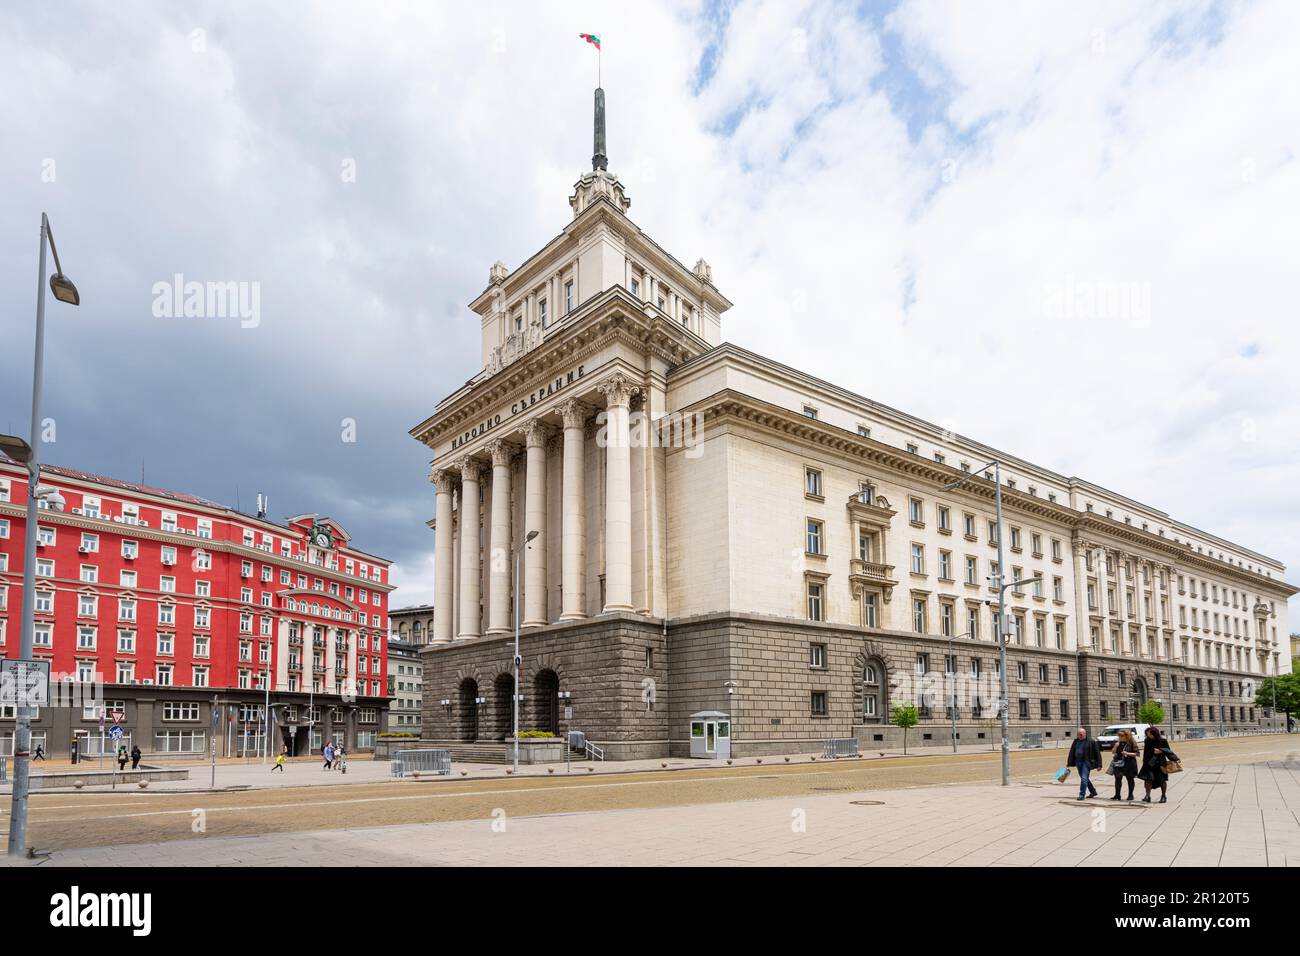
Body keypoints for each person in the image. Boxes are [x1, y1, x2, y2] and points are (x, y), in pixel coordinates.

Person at [1139, 725, 1173, 803]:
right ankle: (1147, 796)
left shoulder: (1162, 740)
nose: (1149, 735)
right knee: (1148, 779)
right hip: (1149, 763)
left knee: (1162, 780)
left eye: (1150, 734)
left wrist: (1161, 751)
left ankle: (1163, 796)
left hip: (1160, 763)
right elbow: (1145, 751)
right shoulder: (1147, 740)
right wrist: (1144, 761)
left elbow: (1168, 751)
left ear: (1155, 733)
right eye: (1147, 734)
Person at [1066, 726, 1101, 800]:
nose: (1080, 736)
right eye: (1078, 734)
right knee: (1084, 778)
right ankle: (1093, 791)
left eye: (1081, 734)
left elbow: (1097, 754)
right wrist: (1069, 763)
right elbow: (1072, 752)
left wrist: (1099, 765)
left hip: (1087, 762)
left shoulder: (1091, 741)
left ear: (1085, 734)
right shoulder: (1076, 741)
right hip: (1078, 762)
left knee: (1084, 778)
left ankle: (1082, 794)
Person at [1110, 729, 1139, 801]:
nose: (1120, 737)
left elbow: (1137, 754)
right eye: (1119, 736)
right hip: (1119, 763)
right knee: (1117, 778)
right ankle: (1117, 795)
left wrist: (1127, 753)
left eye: (1122, 736)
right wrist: (1116, 746)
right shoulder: (1118, 743)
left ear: (1127, 736)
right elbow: (1113, 752)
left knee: (1130, 779)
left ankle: (1130, 795)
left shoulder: (1132, 742)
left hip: (1129, 763)